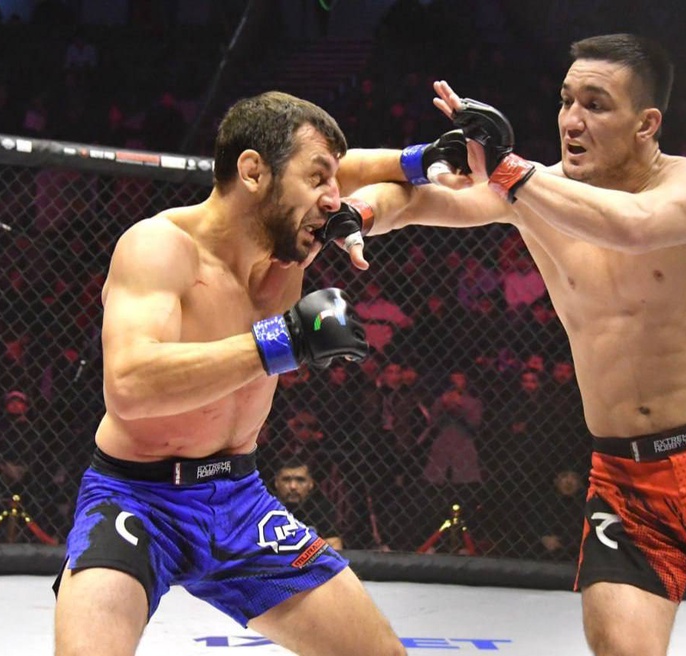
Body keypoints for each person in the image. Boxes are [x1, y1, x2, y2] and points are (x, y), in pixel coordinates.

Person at [349, 33, 686, 655]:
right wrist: (361, 212)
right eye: (566, 100)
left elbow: (634, 226)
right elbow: (417, 200)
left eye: (595, 105)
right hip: (623, 477)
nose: (572, 120)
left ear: (646, 124)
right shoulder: (533, 190)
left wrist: (510, 171)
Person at [50, 90, 447, 656]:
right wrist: (282, 341)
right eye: (317, 179)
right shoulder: (158, 246)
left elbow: (369, 179)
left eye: (333, 182)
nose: (332, 198)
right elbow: (130, 386)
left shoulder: (291, 246)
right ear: (254, 171)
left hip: (239, 501)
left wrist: (424, 160)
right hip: (134, 498)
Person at [273, 459, 344, 550]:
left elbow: (335, 543)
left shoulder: (321, 508)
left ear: (311, 483)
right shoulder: (265, 506)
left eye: (300, 480)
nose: (293, 486)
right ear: (276, 483)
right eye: (286, 480)